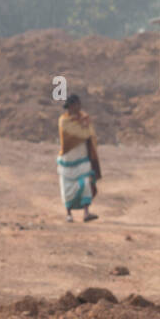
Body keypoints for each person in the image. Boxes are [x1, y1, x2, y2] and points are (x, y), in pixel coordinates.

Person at [57, 94, 101, 223]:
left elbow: (90, 134)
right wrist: (83, 126)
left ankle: (86, 213)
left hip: (82, 157)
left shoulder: (83, 119)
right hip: (68, 159)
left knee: (86, 182)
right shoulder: (63, 121)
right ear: (71, 106)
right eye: (77, 104)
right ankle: (68, 214)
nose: (79, 107)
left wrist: (85, 125)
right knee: (67, 187)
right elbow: (78, 134)